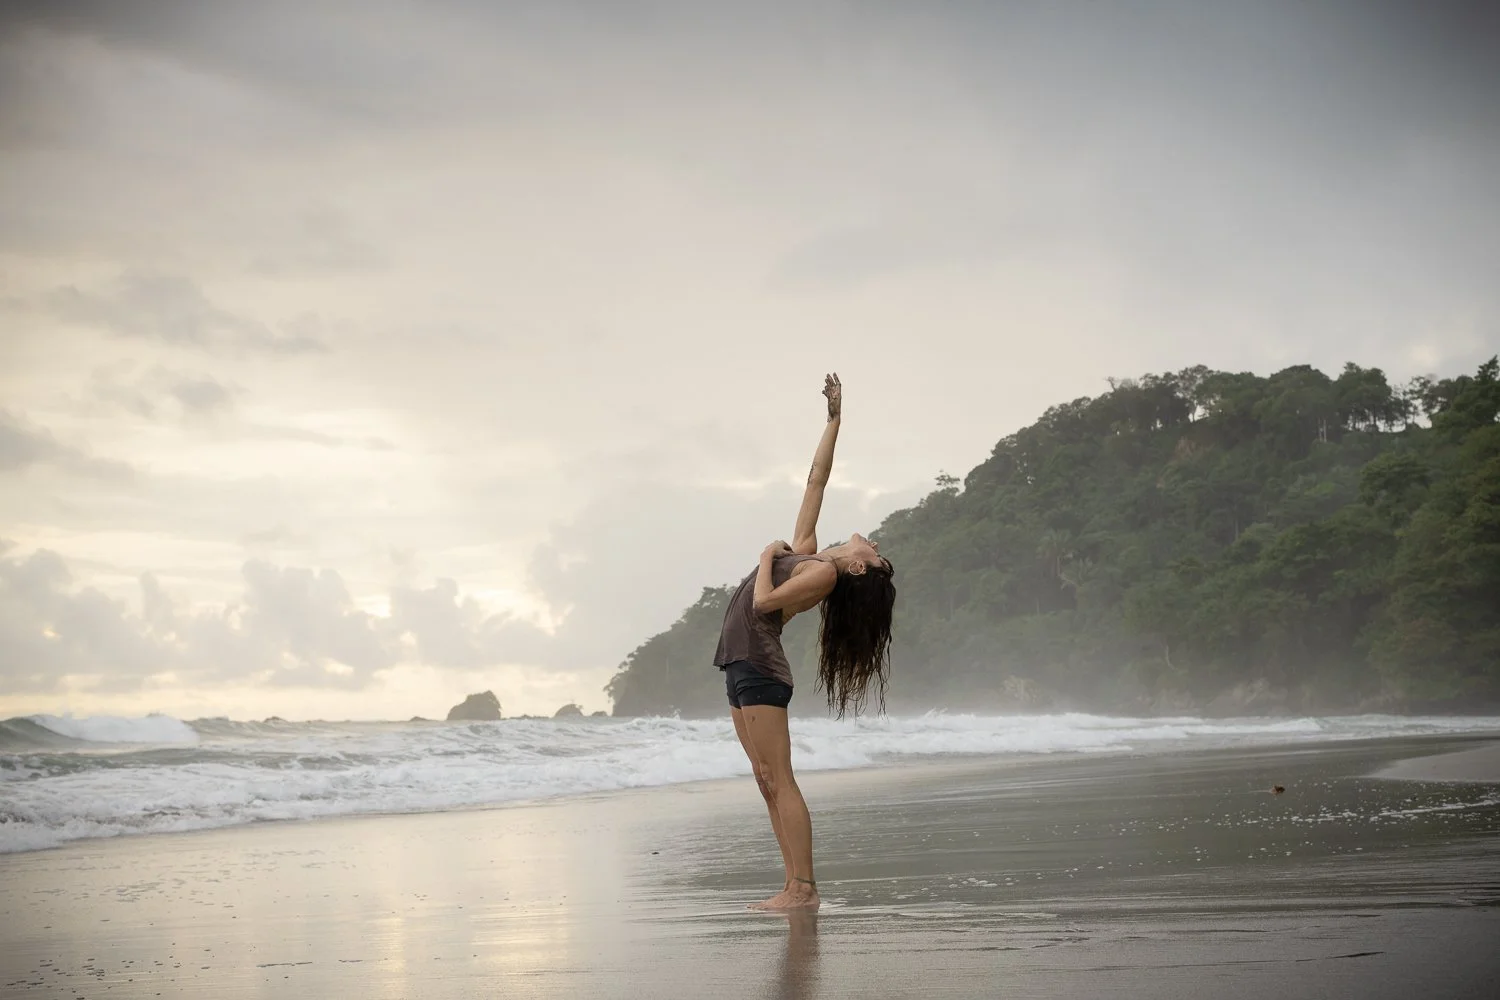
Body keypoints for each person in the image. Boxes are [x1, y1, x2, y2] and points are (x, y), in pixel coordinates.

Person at [713, 373, 897, 911]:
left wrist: (767, 554)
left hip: (762, 668)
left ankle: (805, 888)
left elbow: (765, 603)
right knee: (764, 778)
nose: (874, 540)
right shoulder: (812, 554)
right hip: (738, 663)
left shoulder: (824, 574)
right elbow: (815, 482)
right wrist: (834, 422)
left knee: (781, 779)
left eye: (876, 552)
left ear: (859, 567)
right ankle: (790, 882)